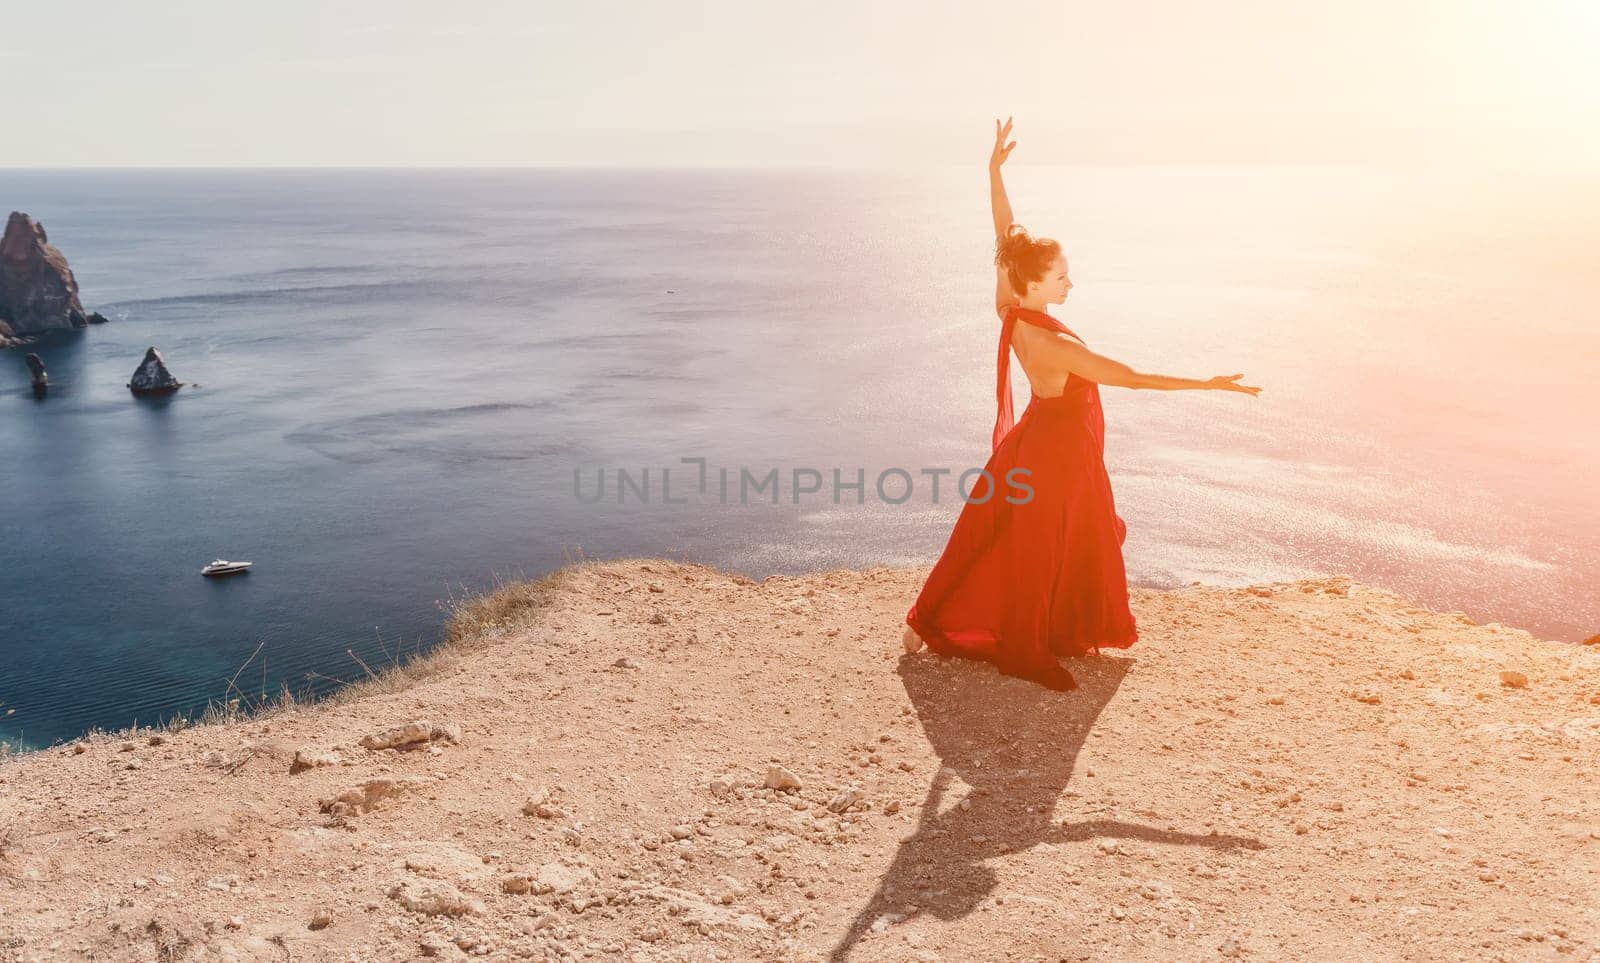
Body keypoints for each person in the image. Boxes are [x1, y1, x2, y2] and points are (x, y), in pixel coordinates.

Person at [901, 116, 1261, 691]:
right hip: (1059, 456)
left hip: (1034, 441)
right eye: (1063, 277)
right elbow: (1133, 378)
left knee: (1004, 534)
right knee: (1044, 547)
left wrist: (992, 173)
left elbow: (1004, 236)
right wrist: (1209, 383)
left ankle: (950, 621)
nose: (1071, 284)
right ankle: (1024, 646)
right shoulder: (1053, 344)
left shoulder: (1011, 310)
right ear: (1037, 283)